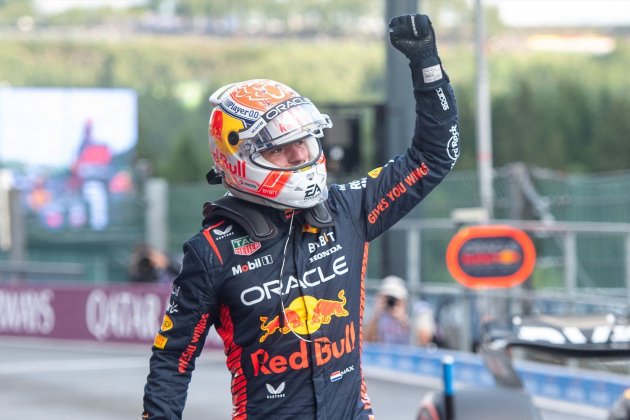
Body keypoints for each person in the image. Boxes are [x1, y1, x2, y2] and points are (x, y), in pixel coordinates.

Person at [142, 13, 459, 420]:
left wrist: (427, 66)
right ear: (239, 160)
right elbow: (172, 361)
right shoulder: (210, 253)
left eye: (305, 142)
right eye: (281, 148)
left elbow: (436, 155)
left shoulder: (348, 209)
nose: (300, 156)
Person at [365, 275, 411, 345]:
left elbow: (419, 342)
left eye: (394, 298)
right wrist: (376, 315)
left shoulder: (411, 315)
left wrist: (402, 318)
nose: (391, 301)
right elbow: (365, 342)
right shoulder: (375, 317)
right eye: (388, 298)